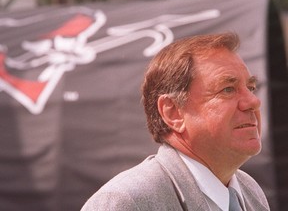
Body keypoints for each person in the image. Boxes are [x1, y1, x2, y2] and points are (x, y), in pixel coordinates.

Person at [81, 32, 270, 211]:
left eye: (251, 88)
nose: (254, 101)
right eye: (228, 89)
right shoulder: (124, 202)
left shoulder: (249, 191)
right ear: (173, 113)